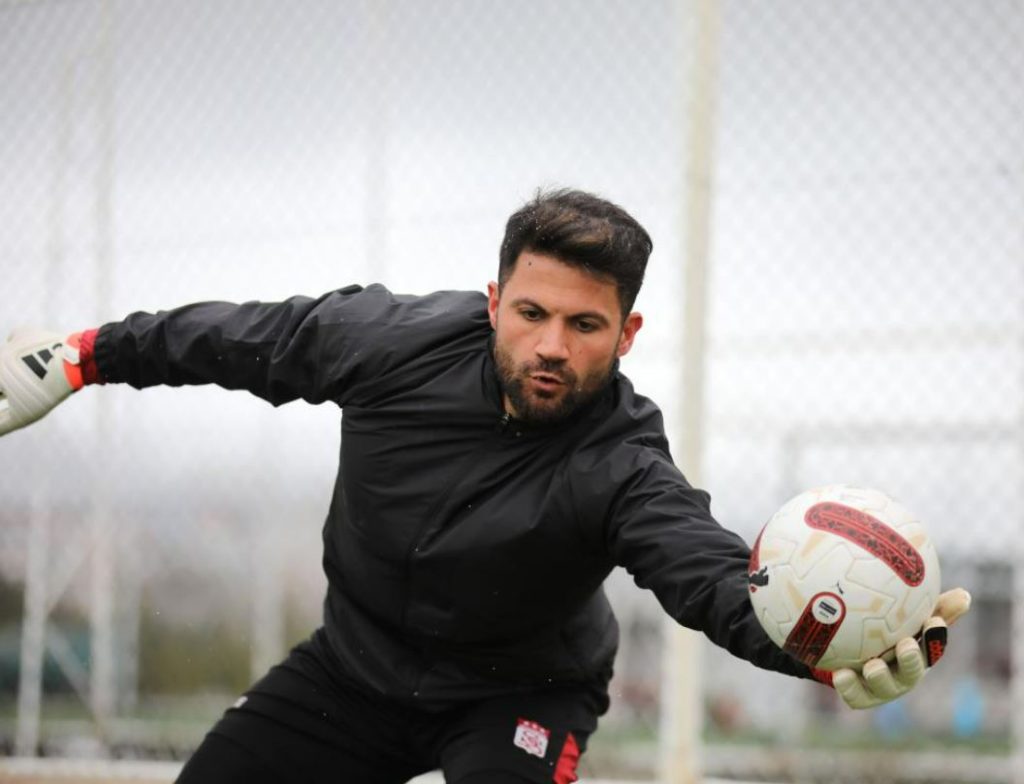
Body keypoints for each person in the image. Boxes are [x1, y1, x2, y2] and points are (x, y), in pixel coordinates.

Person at [0, 189, 969, 783]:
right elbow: (232, 339)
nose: (551, 345)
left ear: (627, 334)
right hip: (352, 670)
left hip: (520, 696)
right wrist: (83, 356)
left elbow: (711, 577)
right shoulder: (386, 342)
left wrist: (823, 655)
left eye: (584, 326)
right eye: (531, 313)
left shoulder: (624, 461)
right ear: (493, 299)